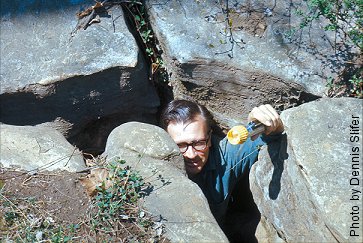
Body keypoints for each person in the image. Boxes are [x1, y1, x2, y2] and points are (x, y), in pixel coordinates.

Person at [160, 99, 284, 242]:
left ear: (210, 138)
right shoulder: (155, 172)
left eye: (199, 143)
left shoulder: (223, 156)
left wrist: (271, 124)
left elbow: (273, 138)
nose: (191, 154)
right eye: (180, 146)